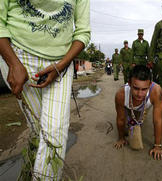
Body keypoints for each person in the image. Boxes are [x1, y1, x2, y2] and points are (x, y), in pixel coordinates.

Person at [0, 0, 91, 180]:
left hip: (61, 62)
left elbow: (83, 32)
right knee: (38, 130)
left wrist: (60, 66)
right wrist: (13, 63)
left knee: (54, 133)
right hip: (19, 57)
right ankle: (30, 169)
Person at [114, 65, 162, 160]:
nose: (139, 94)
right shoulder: (120, 94)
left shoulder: (156, 91)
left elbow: (157, 120)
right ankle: (131, 121)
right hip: (128, 107)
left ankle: (138, 118)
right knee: (126, 127)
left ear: (150, 85)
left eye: (144, 89)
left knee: (137, 125)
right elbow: (120, 119)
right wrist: (121, 138)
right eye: (136, 88)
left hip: (143, 107)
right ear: (129, 83)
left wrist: (158, 146)